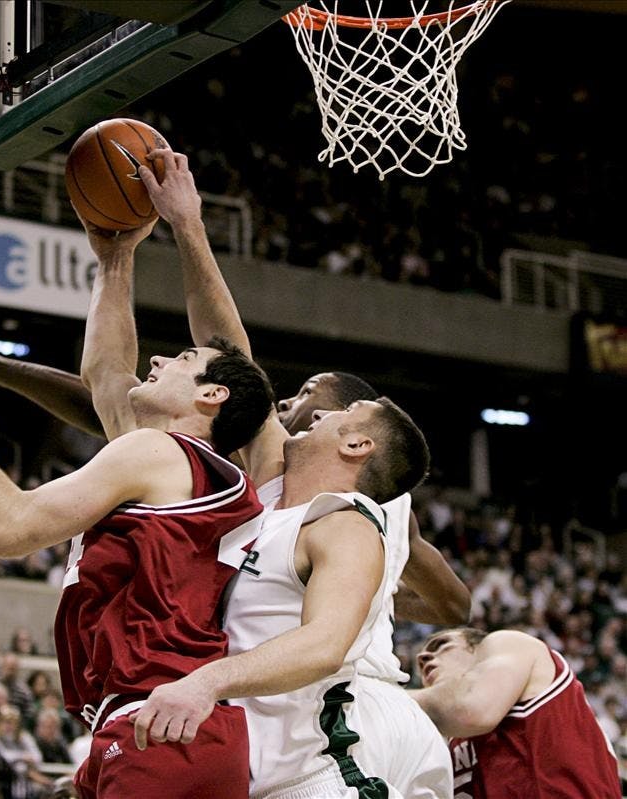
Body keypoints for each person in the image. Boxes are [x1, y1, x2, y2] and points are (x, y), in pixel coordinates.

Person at [84, 149, 458, 798]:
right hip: (230, 754)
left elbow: (324, 643)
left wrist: (208, 680)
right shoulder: (263, 486)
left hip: (321, 769)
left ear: (358, 440)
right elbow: (231, 361)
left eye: (341, 410)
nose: (305, 410)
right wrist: (182, 225)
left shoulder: (344, 525)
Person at [0, 220, 275, 798]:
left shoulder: (156, 453)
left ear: (212, 394)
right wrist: (114, 259)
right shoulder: (198, 471)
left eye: (180, 358)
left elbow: (8, 531)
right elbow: (105, 375)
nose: (156, 361)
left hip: (155, 717)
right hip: (185, 724)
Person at [410, 627, 622, 798]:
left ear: (477, 651)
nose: (424, 656)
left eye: (442, 645)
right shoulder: (443, 735)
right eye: (420, 663)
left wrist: (384, 696)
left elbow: (472, 710)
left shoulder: (510, 644)